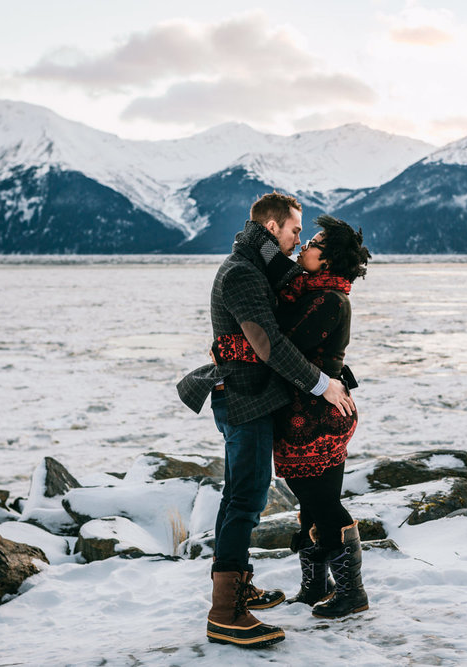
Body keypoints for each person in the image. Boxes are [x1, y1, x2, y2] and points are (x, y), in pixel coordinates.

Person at [177, 193, 355, 649]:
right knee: (246, 498)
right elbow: (267, 343)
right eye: (295, 231)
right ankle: (226, 613)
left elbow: (303, 285)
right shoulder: (241, 273)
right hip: (243, 400)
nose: (299, 242)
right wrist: (322, 384)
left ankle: (240, 587)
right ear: (273, 228)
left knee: (241, 494)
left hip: (253, 398)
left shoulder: (257, 265)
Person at [212, 215, 371, 619]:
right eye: (303, 235)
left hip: (317, 417)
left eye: (314, 242)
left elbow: (281, 348)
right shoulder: (308, 286)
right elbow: (266, 251)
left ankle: (352, 593)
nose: (304, 246)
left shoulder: (328, 300)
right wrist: (261, 229)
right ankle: (316, 585)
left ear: (329, 260)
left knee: (324, 505)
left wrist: (230, 350)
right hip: (306, 414)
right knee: (312, 505)